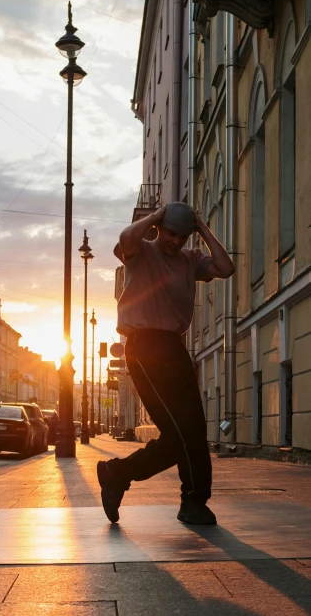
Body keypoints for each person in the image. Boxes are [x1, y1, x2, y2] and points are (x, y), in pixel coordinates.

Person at [97, 201, 235, 526]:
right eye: (172, 233)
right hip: (144, 347)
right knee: (178, 430)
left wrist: (200, 227)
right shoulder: (142, 252)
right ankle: (183, 498)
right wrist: (156, 217)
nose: (176, 241)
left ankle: (130, 478)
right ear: (160, 228)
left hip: (175, 347)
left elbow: (225, 267)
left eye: (182, 236)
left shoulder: (190, 260)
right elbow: (125, 239)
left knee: (193, 430)